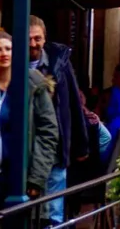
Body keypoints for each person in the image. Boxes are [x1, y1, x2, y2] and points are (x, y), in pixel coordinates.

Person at [0, 31, 59, 218]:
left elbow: (48, 133)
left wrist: (36, 178)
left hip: (21, 176)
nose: (4, 54)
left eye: (8, 49)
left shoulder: (34, 84)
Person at [28, 16, 86, 226]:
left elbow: (73, 103)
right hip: (25, 152)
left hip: (55, 149)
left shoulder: (59, 63)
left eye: (37, 38)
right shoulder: (11, 65)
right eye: (28, 39)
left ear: (45, 39)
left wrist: (81, 145)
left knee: (53, 213)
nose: (33, 44)